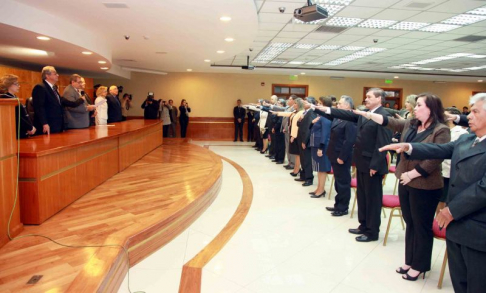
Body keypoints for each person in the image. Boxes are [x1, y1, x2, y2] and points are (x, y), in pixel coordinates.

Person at [379, 93, 486, 293]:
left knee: (477, 282)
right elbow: (439, 150)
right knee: (460, 281)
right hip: (457, 226)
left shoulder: (446, 130)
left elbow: (483, 188)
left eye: (474, 112)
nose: (468, 116)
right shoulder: (468, 139)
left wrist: (451, 209)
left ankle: (419, 264)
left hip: (476, 227)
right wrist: (409, 146)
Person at [353, 93, 450, 280]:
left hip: (425, 184)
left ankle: (420, 265)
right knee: (410, 222)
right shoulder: (411, 124)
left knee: (421, 225)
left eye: (419, 105)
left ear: (430, 108)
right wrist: (368, 114)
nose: (415, 108)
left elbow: (436, 157)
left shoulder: (441, 130)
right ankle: (410, 260)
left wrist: (413, 174)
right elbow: (389, 122)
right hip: (405, 181)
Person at [314, 88, 392, 242]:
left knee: (372, 199)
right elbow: (348, 114)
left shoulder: (384, 116)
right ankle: (363, 225)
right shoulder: (364, 113)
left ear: (379, 99)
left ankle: (372, 231)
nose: (366, 99)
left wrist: (375, 165)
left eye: (369, 97)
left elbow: (383, 143)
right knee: (362, 196)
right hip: (362, 162)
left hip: (372, 165)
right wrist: (328, 109)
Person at [325, 95, 357, 216]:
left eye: (340, 104)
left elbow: (349, 141)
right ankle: (337, 204)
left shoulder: (350, 119)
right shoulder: (339, 118)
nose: (337, 105)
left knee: (343, 182)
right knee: (338, 182)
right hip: (334, 153)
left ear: (347, 106)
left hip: (342, 156)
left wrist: (342, 157)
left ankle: (343, 207)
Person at [32, 66, 84, 134]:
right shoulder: (40, 87)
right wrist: (44, 123)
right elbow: (39, 108)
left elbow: (64, 102)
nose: (58, 75)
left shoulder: (53, 88)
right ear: (47, 75)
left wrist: (80, 100)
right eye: (55, 73)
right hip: (48, 125)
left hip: (57, 125)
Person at [440, 107, 468, 212]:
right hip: (440, 170)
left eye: (445, 115)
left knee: (445, 200)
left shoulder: (461, 133)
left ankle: (441, 225)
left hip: (450, 171)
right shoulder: (442, 130)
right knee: (439, 199)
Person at [309, 96, 332, 197]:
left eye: (320, 103)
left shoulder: (326, 116)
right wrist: (312, 122)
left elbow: (325, 133)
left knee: (322, 169)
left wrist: (321, 147)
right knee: (318, 168)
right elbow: (313, 128)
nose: (317, 105)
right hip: (315, 143)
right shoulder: (319, 116)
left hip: (321, 146)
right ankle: (318, 187)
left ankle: (321, 190)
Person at [295, 97, 317, 187]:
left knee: (307, 160)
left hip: (306, 140)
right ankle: (303, 175)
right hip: (301, 138)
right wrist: (300, 120)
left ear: (311, 104)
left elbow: (309, 128)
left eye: (305, 102)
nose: (303, 104)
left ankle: (309, 178)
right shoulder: (305, 112)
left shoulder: (311, 113)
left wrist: (305, 141)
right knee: (303, 159)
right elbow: (299, 125)